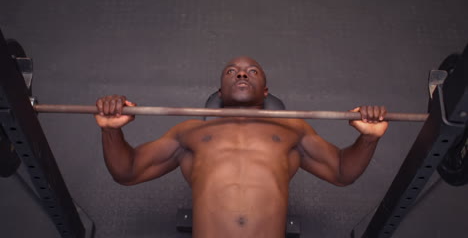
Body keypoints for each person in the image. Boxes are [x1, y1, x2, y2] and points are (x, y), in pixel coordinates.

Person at [94, 56, 388, 238]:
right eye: (232, 71)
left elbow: (341, 171)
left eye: (252, 71)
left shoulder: (292, 130)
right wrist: (112, 131)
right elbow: (127, 171)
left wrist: (369, 138)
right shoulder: (191, 133)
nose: (242, 74)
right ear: (220, 91)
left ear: (266, 90)